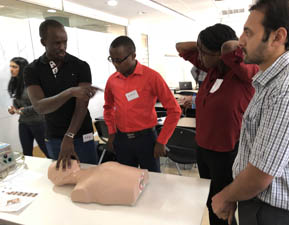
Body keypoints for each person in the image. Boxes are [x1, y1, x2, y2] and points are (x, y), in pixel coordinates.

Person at [212, 1, 289, 225]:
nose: (240, 40)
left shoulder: (286, 90)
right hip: (256, 201)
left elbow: (261, 173)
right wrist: (237, 193)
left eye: (248, 32)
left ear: (278, 37)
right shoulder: (271, 82)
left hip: (273, 213)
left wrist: (225, 196)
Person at [182, 24, 259, 225]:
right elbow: (180, 47)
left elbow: (230, 49)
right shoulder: (212, 70)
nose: (199, 56)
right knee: (210, 202)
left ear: (220, 54)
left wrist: (226, 48)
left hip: (226, 152)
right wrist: (204, 47)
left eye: (203, 52)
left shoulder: (245, 73)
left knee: (224, 207)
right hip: (203, 148)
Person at [24, 20, 101, 168]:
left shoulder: (80, 66)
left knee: (88, 177)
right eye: (56, 43)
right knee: (63, 180)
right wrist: (70, 92)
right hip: (54, 137)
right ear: (43, 42)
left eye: (65, 42)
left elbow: (81, 106)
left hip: (81, 134)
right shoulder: (32, 70)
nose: (62, 47)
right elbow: (40, 107)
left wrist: (69, 136)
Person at [103, 36, 181, 172]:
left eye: (119, 60)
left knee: (152, 181)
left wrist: (162, 140)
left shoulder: (152, 77)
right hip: (122, 140)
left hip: (146, 140)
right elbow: (108, 108)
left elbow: (175, 111)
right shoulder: (112, 81)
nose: (115, 65)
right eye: (112, 60)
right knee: (126, 181)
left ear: (133, 55)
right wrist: (111, 133)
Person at [48, 160, 149, 206]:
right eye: (60, 165)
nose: (65, 160)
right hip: (133, 191)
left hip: (139, 177)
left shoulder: (96, 168)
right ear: (61, 178)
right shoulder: (81, 190)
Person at [7, 57, 48, 158]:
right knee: (27, 154)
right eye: (10, 66)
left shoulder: (33, 83)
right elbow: (17, 104)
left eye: (14, 67)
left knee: (48, 152)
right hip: (24, 123)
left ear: (22, 68)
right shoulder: (15, 84)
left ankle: (61, 172)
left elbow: (40, 104)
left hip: (39, 123)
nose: (11, 69)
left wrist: (23, 111)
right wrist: (13, 109)